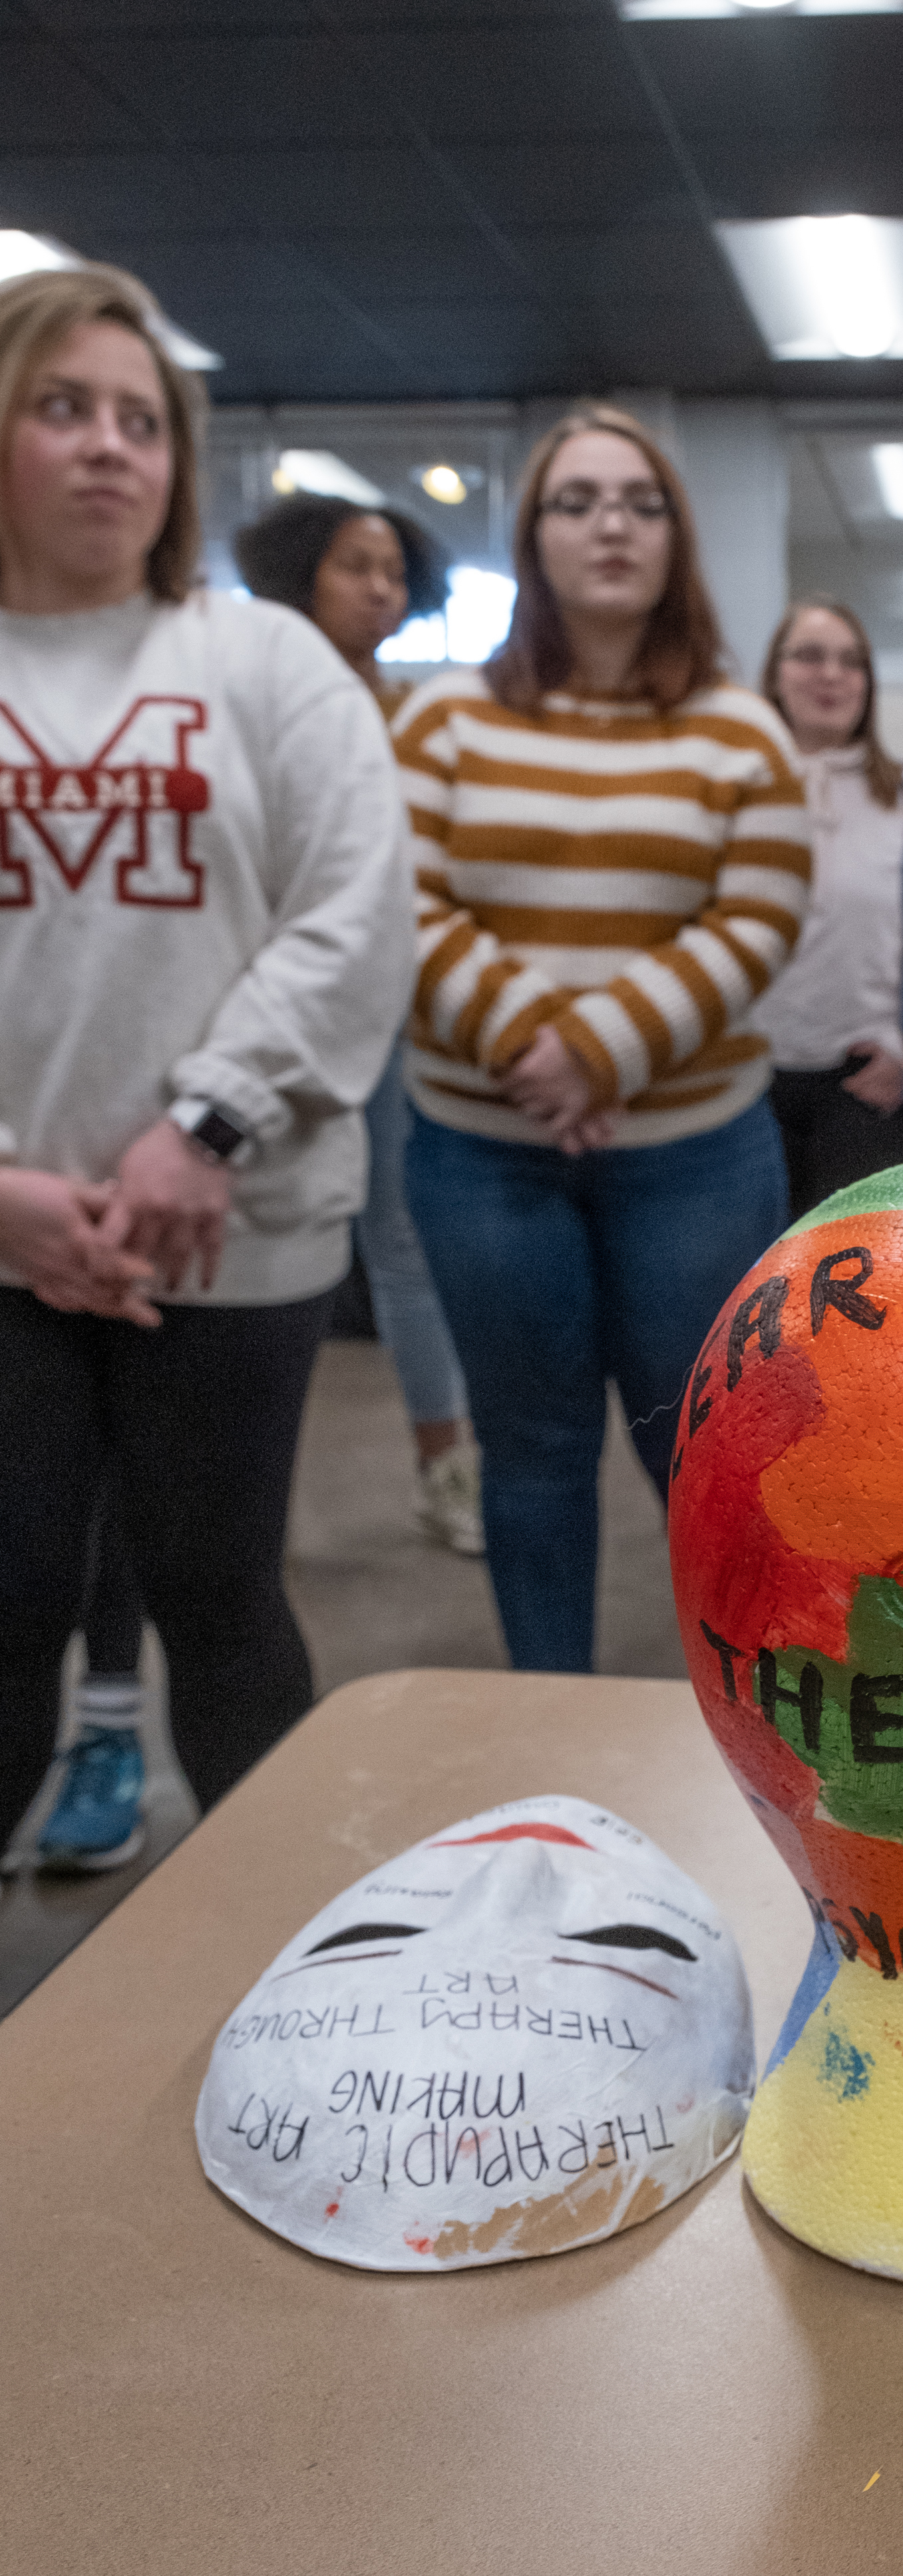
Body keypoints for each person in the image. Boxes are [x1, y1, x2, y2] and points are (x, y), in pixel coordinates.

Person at [0, 261, 411, 1865]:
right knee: (11, 1596)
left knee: (217, 1589)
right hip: (11, 1244)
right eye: (62, 409)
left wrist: (198, 1127)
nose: (110, 447)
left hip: (232, 1225)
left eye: (141, 419)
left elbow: (356, 914)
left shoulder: (263, 662)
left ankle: (295, 1965)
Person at [395, 404, 811, 1674]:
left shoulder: (740, 727)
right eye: (574, 502)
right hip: (484, 1147)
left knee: (714, 1451)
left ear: (675, 537)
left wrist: (604, 1050)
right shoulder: (446, 720)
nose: (609, 524)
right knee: (531, 1453)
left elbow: (760, 911)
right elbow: (397, 898)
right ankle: (549, 1723)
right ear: (532, 541)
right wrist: (538, 1043)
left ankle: (756, 1723)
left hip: (690, 1150)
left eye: (638, 499)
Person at [235, 494, 480, 1555]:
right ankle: (239, 1500)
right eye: (354, 566)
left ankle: (447, 1473)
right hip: (258, 1017)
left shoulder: (413, 715)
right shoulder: (250, 693)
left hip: (388, 1023)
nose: (380, 587)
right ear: (302, 575)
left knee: (400, 1243)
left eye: (392, 569)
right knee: (253, 1242)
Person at [753, 597, 903, 1217]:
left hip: (866, 1088)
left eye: (851, 662)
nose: (831, 675)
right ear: (773, 675)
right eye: (809, 656)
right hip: (746, 1091)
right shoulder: (736, 792)